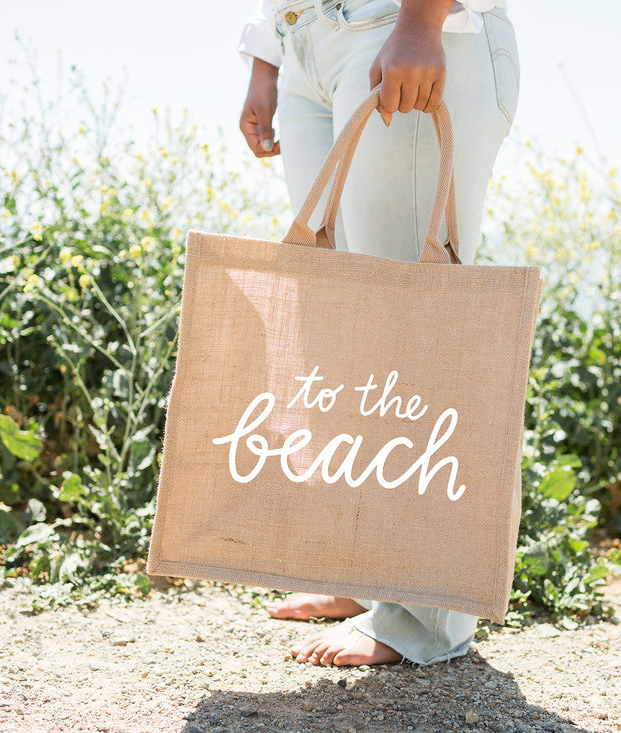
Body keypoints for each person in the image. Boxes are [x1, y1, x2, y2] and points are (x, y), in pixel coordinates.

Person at [236, 0, 518, 667]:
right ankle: (362, 571)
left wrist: (421, 19)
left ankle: (424, 615)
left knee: (411, 331)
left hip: (401, 22)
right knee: (342, 325)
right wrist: (269, 57)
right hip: (306, 39)